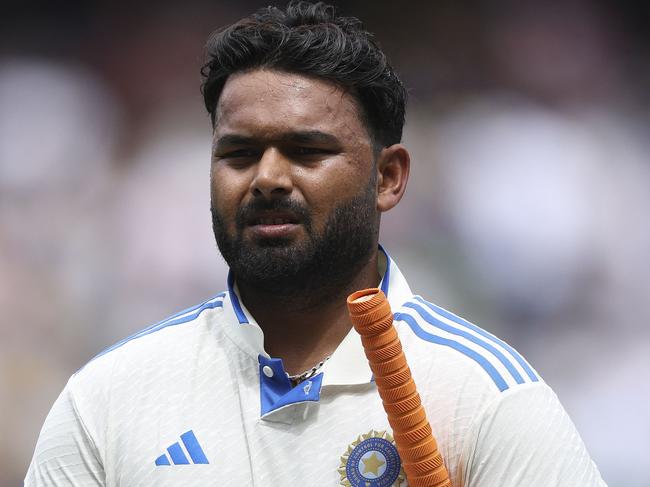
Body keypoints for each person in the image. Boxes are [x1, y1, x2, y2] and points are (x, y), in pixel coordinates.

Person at [26, 2, 606, 486]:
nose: (268, 178)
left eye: (307, 151)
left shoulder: (486, 395)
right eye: (238, 154)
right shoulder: (107, 397)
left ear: (388, 178)